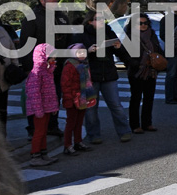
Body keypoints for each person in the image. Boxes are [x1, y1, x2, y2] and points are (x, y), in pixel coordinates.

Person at [76, 10, 132, 143]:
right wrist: (88, 51)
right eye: (98, 19)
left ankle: (124, 131)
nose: (102, 21)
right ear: (90, 21)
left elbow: (119, 51)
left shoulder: (108, 30)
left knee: (116, 105)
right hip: (90, 75)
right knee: (90, 108)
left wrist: (118, 47)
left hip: (108, 73)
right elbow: (74, 52)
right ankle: (94, 135)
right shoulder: (81, 34)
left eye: (102, 18)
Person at [19, 0, 68, 138]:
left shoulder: (61, 16)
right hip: (38, 67)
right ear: (42, 1)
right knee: (37, 98)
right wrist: (29, 68)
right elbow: (25, 44)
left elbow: (68, 39)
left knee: (54, 96)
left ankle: (52, 126)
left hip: (57, 65)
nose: (55, 0)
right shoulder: (32, 17)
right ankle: (34, 128)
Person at [127, 13, 164, 134]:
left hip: (151, 70)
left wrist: (157, 59)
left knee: (149, 98)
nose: (143, 25)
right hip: (137, 71)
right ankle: (135, 125)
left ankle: (147, 123)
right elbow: (124, 54)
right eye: (140, 23)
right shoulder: (129, 36)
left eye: (145, 23)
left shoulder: (152, 34)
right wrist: (135, 64)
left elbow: (157, 48)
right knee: (136, 98)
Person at [59, 43, 95, 155]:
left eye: (84, 52)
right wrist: (68, 100)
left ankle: (78, 142)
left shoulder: (84, 64)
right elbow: (65, 84)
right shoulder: (69, 66)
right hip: (73, 98)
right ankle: (67, 145)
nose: (82, 54)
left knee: (79, 121)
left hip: (82, 96)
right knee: (71, 122)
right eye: (79, 52)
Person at [26, 44, 59, 166]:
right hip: (40, 109)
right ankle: (35, 155)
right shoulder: (37, 72)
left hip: (46, 107)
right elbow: (34, 93)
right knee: (39, 132)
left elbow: (51, 90)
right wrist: (38, 110)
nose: (53, 59)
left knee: (43, 131)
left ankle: (43, 154)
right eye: (51, 57)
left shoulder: (47, 71)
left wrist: (54, 106)